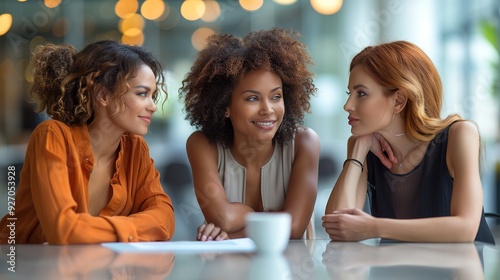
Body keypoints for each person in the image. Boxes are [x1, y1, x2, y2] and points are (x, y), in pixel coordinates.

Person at [0, 40, 175, 244]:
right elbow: (63, 229)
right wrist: (134, 228)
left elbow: (165, 219)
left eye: (153, 95)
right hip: (17, 267)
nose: (153, 107)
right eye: (142, 94)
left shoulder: (136, 148)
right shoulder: (52, 135)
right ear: (103, 95)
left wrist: (93, 231)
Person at [322, 40, 495, 244]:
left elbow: (464, 229)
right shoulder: (363, 147)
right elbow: (337, 226)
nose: (347, 105)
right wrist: (358, 149)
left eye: (361, 93)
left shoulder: (460, 135)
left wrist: (373, 227)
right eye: (349, 93)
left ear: (398, 101)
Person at [179, 28, 320, 241]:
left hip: (292, 270)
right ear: (225, 105)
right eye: (252, 99)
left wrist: (235, 231)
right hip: (229, 270)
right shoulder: (203, 145)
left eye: (276, 97)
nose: (268, 109)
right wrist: (267, 218)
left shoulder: (304, 143)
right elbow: (223, 218)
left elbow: (294, 228)